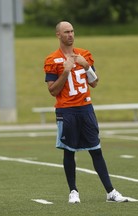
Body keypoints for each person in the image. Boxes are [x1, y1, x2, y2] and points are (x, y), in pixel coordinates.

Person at [43, 21, 128, 204]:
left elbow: (95, 82)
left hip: (86, 108)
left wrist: (86, 66)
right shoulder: (52, 59)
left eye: (72, 31)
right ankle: (73, 191)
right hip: (66, 111)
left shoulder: (85, 54)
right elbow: (52, 91)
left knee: (96, 150)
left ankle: (110, 191)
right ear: (58, 35)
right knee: (69, 151)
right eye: (66, 32)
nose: (70, 35)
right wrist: (65, 72)